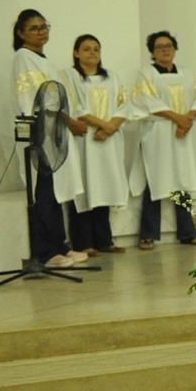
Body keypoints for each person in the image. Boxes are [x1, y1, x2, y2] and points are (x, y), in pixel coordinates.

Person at [10, 10, 89, 268]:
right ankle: (45, 252)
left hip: (53, 133)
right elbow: (34, 99)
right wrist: (66, 121)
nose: (41, 32)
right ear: (21, 33)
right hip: (39, 133)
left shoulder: (43, 60)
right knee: (42, 194)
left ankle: (60, 246)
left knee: (54, 193)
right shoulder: (23, 57)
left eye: (44, 27)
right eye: (34, 28)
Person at [130, 31, 196, 250]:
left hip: (183, 133)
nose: (165, 50)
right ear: (152, 52)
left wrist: (186, 121)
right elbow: (147, 101)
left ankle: (188, 232)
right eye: (159, 47)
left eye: (168, 46)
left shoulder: (187, 74)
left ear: (175, 48)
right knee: (155, 180)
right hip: (158, 133)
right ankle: (148, 234)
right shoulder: (146, 74)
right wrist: (178, 119)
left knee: (182, 179)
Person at [62, 34, 129, 255]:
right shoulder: (70, 76)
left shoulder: (112, 77)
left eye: (96, 49)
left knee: (104, 186)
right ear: (76, 53)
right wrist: (104, 126)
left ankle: (104, 240)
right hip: (85, 140)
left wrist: (111, 127)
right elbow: (74, 107)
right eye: (86, 49)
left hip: (108, 140)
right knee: (84, 187)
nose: (92, 53)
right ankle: (83, 243)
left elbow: (124, 105)